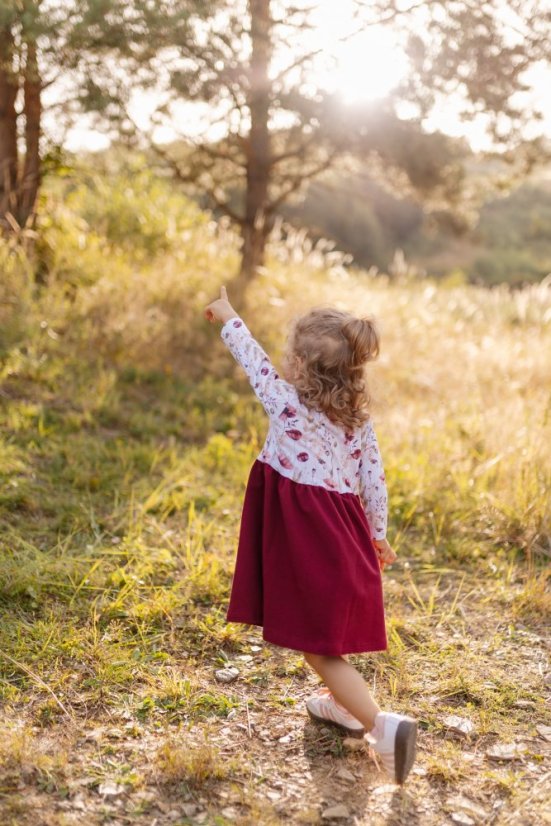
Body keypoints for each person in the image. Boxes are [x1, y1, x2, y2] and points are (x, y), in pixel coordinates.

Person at [204, 286, 417, 785]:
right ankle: (343, 709)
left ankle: (381, 726)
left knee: (318, 648)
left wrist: (228, 315)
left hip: (311, 543)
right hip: (346, 536)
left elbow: (252, 361)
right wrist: (379, 535)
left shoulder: (285, 404)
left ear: (299, 368)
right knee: (326, 636)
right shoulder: (357, 422)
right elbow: (374, 481)